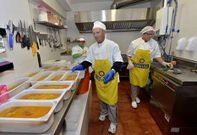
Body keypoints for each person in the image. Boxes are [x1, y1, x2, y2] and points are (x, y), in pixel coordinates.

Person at [72, 21, 123, 134]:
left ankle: (113, 122)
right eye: (94, 33)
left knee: (111, 102)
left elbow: (119, 61)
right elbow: (89, 61)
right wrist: (81, 66)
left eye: (98, 32)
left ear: (104, 32)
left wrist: (112, 71)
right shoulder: (92, 47)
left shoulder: (112, 45)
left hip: (110, 80)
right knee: (101, 98)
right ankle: (104, 113)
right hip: (99, 80)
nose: (95, 35)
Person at [127, 26, 173, 109]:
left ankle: (136, 96)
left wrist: (164, 63)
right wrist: (130, 62)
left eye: (152, 35)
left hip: (144, 69)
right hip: (135, 67)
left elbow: (157, 56)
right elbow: (129, 54)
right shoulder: (135, 43)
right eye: (149, 34)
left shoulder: (154, 44)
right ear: (143, 33)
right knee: (134, 83)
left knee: (141, 83)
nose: (150, 36)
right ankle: (133, 99)